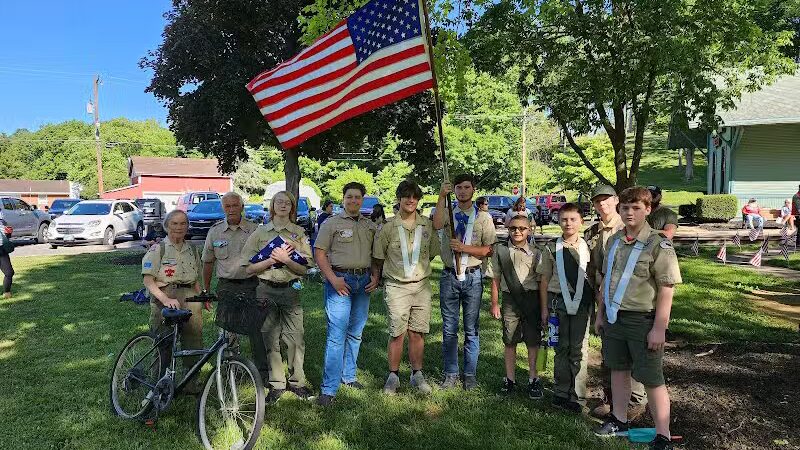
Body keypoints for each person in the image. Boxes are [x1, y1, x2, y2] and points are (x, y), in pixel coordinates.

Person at [594, 187, 682, 450]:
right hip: (613, 318)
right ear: (619, 209)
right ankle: (619, 420)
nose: (629, 212)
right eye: (625, 208)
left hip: (643, 321)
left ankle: (663, 435)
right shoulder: (614, 241)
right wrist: (600, 315)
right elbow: (606, 282)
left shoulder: (659, 244)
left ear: (648, 210)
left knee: (652, 378)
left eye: (636, 208)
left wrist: (659, 328)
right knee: (618, 370)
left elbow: (667, 289)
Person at [242, 191, 315, 402]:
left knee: (295, 338)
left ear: (292, 208)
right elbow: (248, 268)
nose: (283, 205)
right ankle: (277, 384)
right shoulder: (260, 233)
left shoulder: (298, 233)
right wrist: (271, 261)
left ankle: (297, 382)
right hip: (265, 289)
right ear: (272, 206)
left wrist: (287, 259)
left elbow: (304, 269)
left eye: (287, 203)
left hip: (291, 290)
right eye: (279, 202)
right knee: (270, 338)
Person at [585, 185, 648, 420]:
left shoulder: (626, 229)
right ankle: (612, 400)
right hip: (603, 297)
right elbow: (592, 266)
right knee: (610, 351)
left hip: (627, 299)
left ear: (615, 201)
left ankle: (635, 401)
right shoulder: (592, 232)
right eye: (597, 201)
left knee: (630, 353)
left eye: (606, 200)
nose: (602, 204)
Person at [314, 182, 380, 406]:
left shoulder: (370, 226)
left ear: (363, 200)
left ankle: (348, 376)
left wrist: (375, 276)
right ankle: (329, 389)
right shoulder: (331, 223)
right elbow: (319, 253)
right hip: (340, 281)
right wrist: (333, 279)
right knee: (336, 335)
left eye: (357, 198)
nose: (353, 201)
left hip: (363, 282)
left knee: (356, 332)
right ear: (343, 199)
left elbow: (375, 255)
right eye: (349, 197)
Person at [372, 180, 440, 395]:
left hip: (421, 287)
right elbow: (378, 257)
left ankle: (416, 374)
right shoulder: (388, 228)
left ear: (418, 200)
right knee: (397, 332)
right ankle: (393, 375)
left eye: (414, 197)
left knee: (417, 332)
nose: (410, 200)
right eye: (406, 196)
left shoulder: (427, 226)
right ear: (399, 199)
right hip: (396, 287)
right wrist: (377, 278)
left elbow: (433, 253)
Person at [432, 173, 496, 390]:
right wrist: (442, 196)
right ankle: (451, 373)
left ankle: (470, 374)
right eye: (458, 187)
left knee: (472, 328)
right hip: (449, 275)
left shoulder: (483, 218)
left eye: (466, 187)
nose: (462, 191)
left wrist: (465, 248)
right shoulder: (448, 212)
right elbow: (437, 224)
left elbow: (489, 249)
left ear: (473, 190)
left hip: (473, 276)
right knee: (449, 328)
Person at [538, 203, 593, 412]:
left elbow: (595, 276)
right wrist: (544, 309)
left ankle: (577, 396)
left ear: (581, 221)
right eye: (564, 219)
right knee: (560, 347)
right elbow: (544, 280)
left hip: (581, 303)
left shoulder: (588, 247)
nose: (568, 223)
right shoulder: (551, 247)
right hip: (556, 302)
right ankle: (561, 392)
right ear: (558, 221)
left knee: (578, 349)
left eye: (572, 219)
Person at [141, 209, 204, 392]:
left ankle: (191, 384)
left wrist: (202, 296)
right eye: (175, 223)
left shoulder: (192, 249)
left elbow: (196, 278)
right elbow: (148, 281)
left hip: (190, 297)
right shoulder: (158, 249)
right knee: (164, 343)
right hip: (165, 297)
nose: (179, 227)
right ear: (167, 226)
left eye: (183, 223)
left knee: (194, 343)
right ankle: (158, 386)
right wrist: (165, 299)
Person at [201, 192, 261, 377]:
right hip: (227, 286)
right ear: (223, 208)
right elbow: (208, 262)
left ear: (242, 207)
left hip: (254, 285)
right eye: (228, 206)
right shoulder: (215, 231)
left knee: (257, 329)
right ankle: (230, 368)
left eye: (235, 205)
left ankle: (262, 371)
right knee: (227, 331)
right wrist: (206, 289)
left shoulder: (255, 230)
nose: (232, 209)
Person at [487, 215, 545, 399]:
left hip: (531, 300)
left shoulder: (537, 252)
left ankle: (533, 379)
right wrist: (495, 303)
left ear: (529, 230)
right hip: (510, 300)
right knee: (510, 339)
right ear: (508, 229)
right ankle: (510, 379)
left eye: (522, 228)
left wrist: (543, 308)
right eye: (513, 228)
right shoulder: (501, 251)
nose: (517, 232)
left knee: (533, 341)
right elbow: (495, 278)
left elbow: (542, 281)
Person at [0, 224, 14, 299]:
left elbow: (6, 237)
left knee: (9, 272)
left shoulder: (2, 223)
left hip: (2, 250)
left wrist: (8, 234)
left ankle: (7, 292)